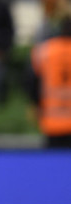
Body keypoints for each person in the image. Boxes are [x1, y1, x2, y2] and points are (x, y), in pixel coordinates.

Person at [29, 12, 71, 148]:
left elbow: (31, 80)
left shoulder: (45, 50)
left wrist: (34, 104)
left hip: (52, 119)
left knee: (53, 164)